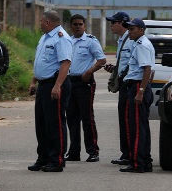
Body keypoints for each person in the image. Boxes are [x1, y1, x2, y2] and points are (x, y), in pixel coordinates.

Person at [28, 10, 72, 172]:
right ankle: (43, 157)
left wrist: (57, 86)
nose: (39, 24)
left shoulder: (61, 38)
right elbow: (42, 62)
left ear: (47, 22)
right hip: (43, 84)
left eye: (41, 21)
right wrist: (34, 81)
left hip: (55, 84)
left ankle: (56, 160)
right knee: (42, 123)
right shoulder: (45, 37)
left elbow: (65, 63)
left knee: (55, 124)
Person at [65, 14, 106, 163]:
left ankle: (93, 151)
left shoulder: (90, 41)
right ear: (71, 26)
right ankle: (74, 151)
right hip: (70, 82)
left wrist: (90, 71)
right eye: (75, 24)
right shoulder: (67, 41)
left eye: (80, 24)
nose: (77, 26)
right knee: (72, 118)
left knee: (87, 118)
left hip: (84, 82)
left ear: (84, 26)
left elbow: (102, 60)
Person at [119, 18, 155, 173]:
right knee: (142, 127)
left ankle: (137, 163)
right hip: (139, 86)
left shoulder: (141, 45)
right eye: (129, 29)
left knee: (136, 128)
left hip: (137, 87)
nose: (129, 32)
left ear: (141, 29)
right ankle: (145, 160)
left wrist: (140, 91)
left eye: (132, 29)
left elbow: (147, 69)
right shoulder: (141, 44)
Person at [104, 11, 132, 166]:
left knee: (128, 119)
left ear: (121, 23)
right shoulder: (122, 40)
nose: (111, 26)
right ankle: (125, 152)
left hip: (129, 84)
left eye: (113, 22)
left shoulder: (131, 39)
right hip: (123, 83)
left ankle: (130, 153)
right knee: (123, 118)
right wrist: (115, 69)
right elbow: (124, 63)